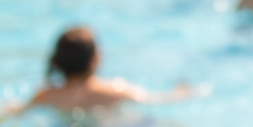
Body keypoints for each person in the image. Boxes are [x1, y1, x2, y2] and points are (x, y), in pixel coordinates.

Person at [23, 27, 187, 112]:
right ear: (95, 59)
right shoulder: (117, 90)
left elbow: (15, 110)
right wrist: (182, 92)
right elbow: (158, 100)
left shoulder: (45, 95)